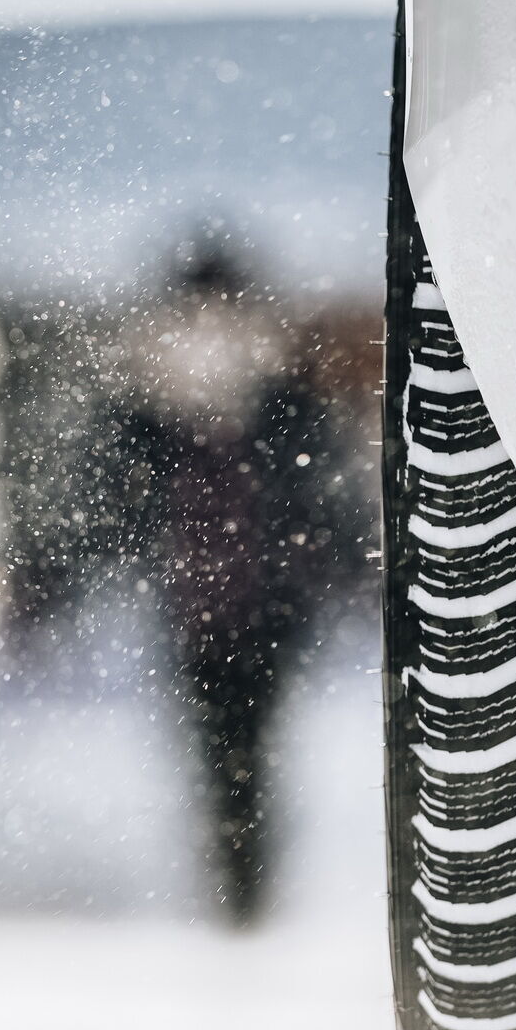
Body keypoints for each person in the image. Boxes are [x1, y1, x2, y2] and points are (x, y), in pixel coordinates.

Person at [106, 234, 366, 926]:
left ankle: (249, 889)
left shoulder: (283, 403)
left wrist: (337, 566)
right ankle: (232, 887)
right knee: (215, 754)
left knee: (253, 752)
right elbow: (115, 498)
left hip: (267, 614)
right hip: (198, 614)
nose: (208, 333)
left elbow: (324, 497)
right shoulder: (155, 409)